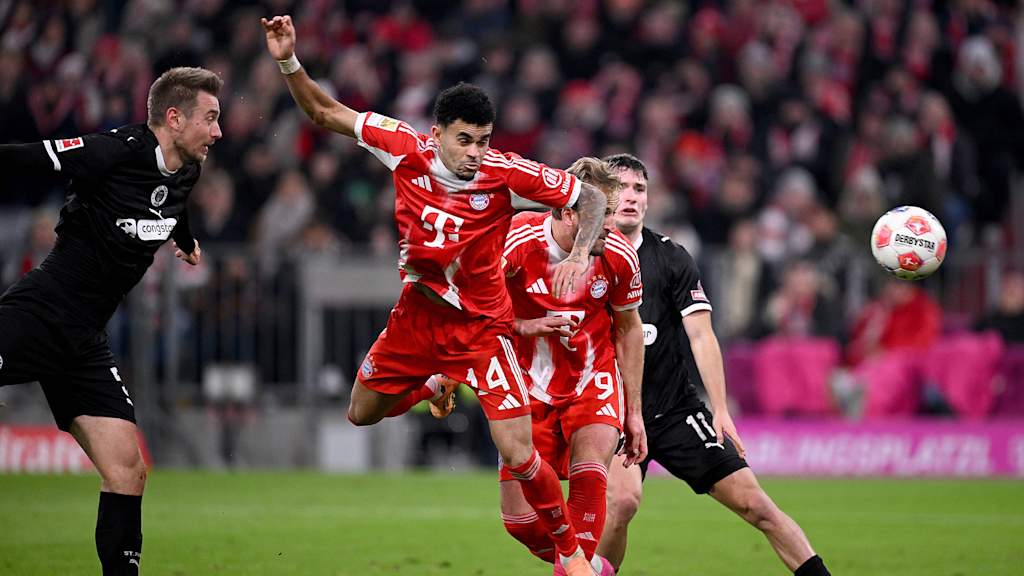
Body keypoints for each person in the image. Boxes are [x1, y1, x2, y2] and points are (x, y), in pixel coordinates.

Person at [262, 15, 610, 575]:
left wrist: (576, 255)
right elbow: (325, 112)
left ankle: (573, 558)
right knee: (360, 412)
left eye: (484, 141)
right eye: (465, 140)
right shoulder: (404, 148)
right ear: (439, 133)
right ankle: (430, 385)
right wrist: (288, 62)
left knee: (519, 452)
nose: (476, 153)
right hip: (417, 320)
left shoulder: (505, 172)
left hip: (483, 329)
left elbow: (589, 198)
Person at [0, 66, 221, 575]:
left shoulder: (187, 169)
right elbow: (32, 157)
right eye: (209, 119)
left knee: (127, 469)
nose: (218, 131)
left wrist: (182, 239)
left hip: (83, 341)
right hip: (41, 311)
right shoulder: (113, 151)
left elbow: (172, 205)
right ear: (173, 117)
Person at [595, 154, 831, 576]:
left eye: (639, 189)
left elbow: (701, 335)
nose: (630, 198)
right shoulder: (585, 257)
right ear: (601, 195)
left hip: (674, 410)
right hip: (610, 413)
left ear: (649, 200)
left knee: (757, 505)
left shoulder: (671, 258)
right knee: (623, 503)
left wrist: (720, 408)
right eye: (620, 188)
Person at [498, 157, 646, 576]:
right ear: (568, 212)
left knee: (589, 475)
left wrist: (634, 412)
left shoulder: (617, 256)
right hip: (526, 385)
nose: (609, 229)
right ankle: (592, 569)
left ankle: (576, 566)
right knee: (520, 522)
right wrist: (525, 325)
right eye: (600, 219)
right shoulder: (517, 240)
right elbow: (476, 311)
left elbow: (629, 329)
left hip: (592, 379)